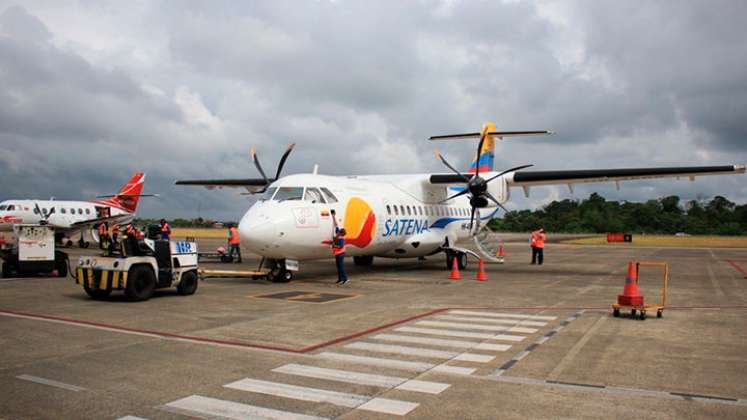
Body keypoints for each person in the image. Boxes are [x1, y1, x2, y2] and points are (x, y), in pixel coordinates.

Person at [322, 209, 348, 284]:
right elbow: (336, 224)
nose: (337, 232)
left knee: (341, 267)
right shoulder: (338, 235)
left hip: (340, 254)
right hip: (337, 254)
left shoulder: (341, 239)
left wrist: (333, 245)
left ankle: (345, 279)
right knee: (338, 267)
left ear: (340, 233)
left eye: (339, 232)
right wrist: (333, 216)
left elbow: (340, 246)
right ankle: (340, 279)